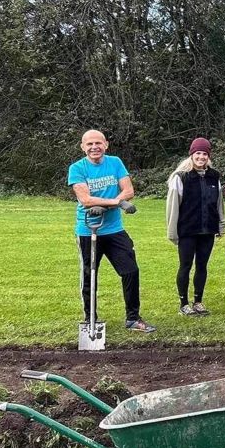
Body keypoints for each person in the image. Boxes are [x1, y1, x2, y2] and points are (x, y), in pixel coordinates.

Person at [67, 129, 155, 333]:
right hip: (88, 230)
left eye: (98, 143)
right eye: (89, 144)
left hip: (114, 230)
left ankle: (133, 318)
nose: (94, 147)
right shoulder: (77, 168)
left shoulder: (115, 162)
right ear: (83, 147)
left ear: (105, 144)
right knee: (90, 276)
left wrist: (106, 205)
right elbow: (86, 200)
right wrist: (117, 202)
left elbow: (129, 191)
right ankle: (91, 319)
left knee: (131, 270)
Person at [166, 138, 225, 316]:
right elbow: (173, 206)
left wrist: (221, 225)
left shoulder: (214, 176)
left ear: (208, 156)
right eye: (198, 153)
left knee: (202, 265)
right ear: (191, 155)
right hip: (187, 229)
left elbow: (219, 203)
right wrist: (173, 231)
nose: (201, 157)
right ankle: (184, 304)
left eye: (205, 154)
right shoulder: (181, 177)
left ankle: (198, 301)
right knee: (185, 265)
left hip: (207, 229)